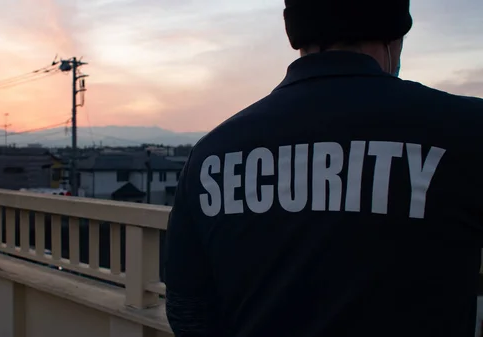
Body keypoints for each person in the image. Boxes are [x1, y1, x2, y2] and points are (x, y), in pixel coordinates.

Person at [163, 0, 483, 336]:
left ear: (296, 34)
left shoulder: (211, 153)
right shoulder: (466, 130)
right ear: (395, 36)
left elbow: (187, 308)